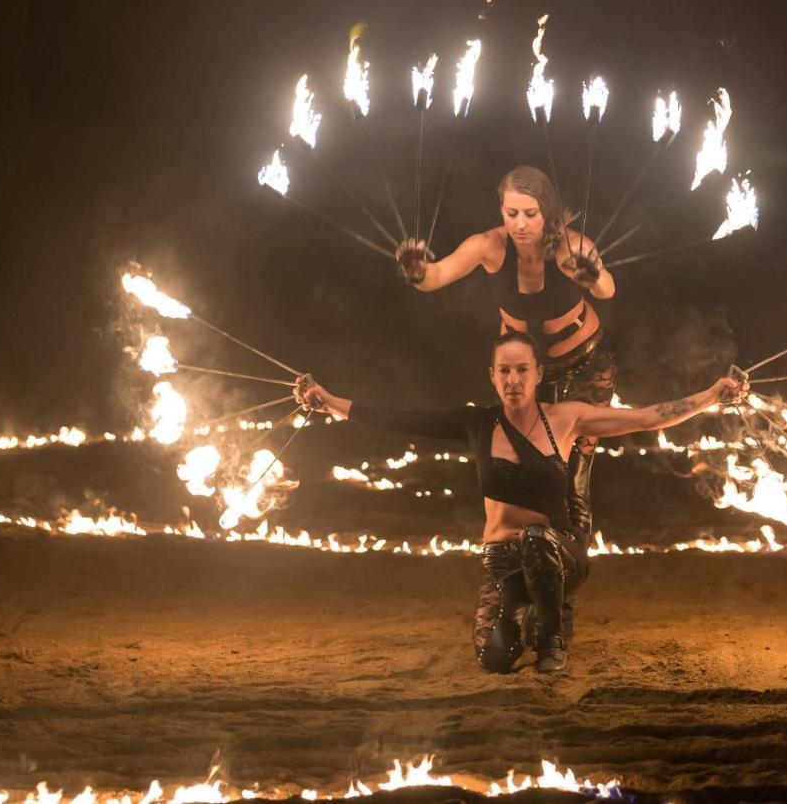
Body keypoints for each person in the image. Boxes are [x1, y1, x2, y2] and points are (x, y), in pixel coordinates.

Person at [295, 330, 746, 674]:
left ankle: (552, 639)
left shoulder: (567, 419)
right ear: (493, 376)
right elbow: (397, 417)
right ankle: (522, 615)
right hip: (501, 565)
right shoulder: (477, 423)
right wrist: (328, 400)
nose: (513, 379)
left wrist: (712, 393)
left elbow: (648, 417)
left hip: (558, 550)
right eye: (504, 371)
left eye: (522, 370)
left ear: (537, 374)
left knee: (535, 539)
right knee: (494, 660)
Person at [396, 165, 616, 642]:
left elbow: (607, 288)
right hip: (524, 374)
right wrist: (416, 271)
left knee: (572, 480)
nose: (520, 223)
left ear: (547, 213)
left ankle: (562, 597)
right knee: (517, 471)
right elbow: (434, 277)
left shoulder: (571, 247)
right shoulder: (487, 246)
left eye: (531, 213)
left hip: (584, 369)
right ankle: (515, 586)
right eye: (511, 212)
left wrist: (592, 276)